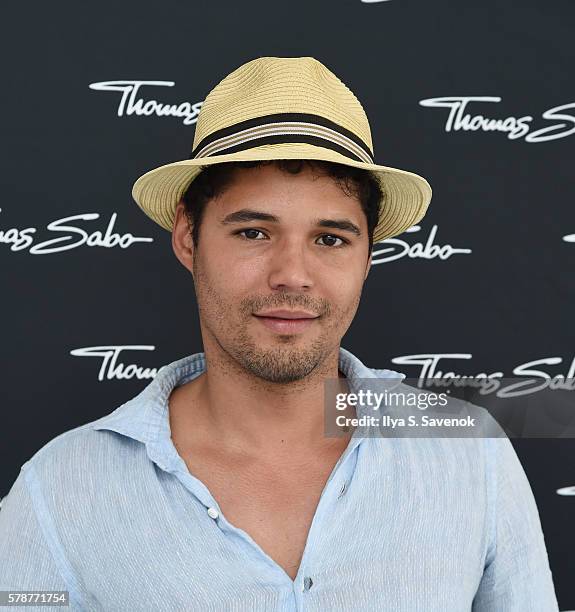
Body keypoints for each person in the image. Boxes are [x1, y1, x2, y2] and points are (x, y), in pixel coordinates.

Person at [0, 56, 559, 611]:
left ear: (368, 257)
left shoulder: (469, 454)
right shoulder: (61, 489)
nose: (292, 274)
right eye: (253, 231)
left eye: (330, 239)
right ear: (188, 239)